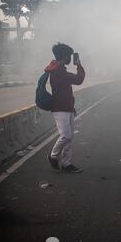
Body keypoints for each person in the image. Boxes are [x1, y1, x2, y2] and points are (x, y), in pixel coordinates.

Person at [46, 43, 85, 173]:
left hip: (67, 108)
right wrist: (78, 64)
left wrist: (71, 107)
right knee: (66, 136)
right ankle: (53, 156)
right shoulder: (58, 71)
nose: (70, 58)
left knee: (69, 138)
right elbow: (79, 79)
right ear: (64, 56)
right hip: (60, 108)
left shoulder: (60, 69)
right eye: (69, 55)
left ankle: (66, 163)